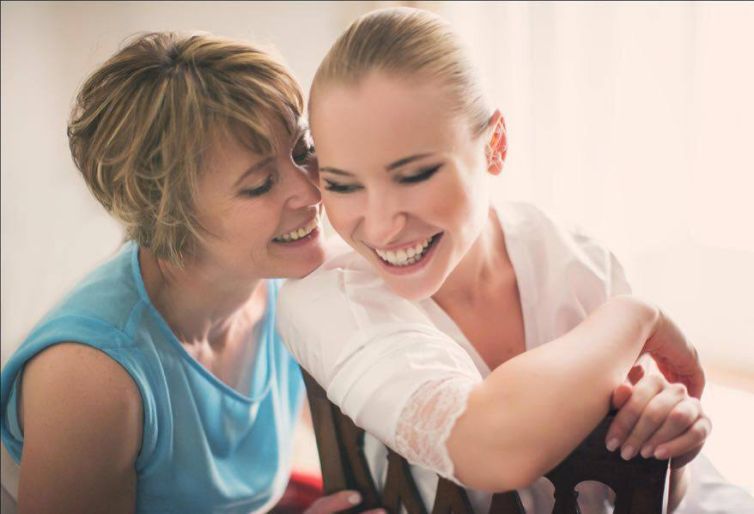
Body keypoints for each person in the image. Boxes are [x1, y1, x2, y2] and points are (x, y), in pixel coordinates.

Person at [278, 7, 753, 513]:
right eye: (343, 184)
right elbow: (493, 450)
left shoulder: (579, 262)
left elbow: (656, 489)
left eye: (414, 176)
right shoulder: (327, 298)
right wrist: (637, 315)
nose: (379, 226)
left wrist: (670, 449)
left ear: (495, 145)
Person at [0, 32, 378, 514]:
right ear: (169, 213)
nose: (310, 191)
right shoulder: (89, 379)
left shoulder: (287, 285)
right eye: (260, 184)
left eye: (302, 150)